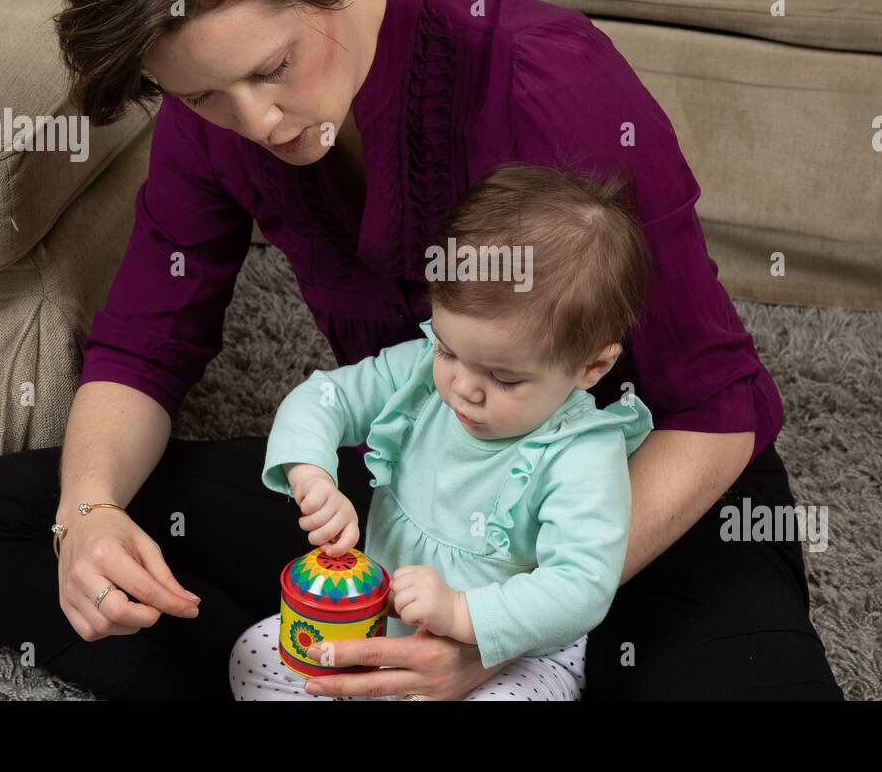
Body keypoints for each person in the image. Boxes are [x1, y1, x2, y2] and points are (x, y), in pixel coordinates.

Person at [0, 0, 843, 700]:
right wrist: (86, 517)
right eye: (203, 94)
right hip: (414, 500)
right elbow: (143, 350)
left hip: (635, 503)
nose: (259, 122)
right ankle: (338, 675)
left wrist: (496, 632)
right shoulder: (215, 128)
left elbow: (719, 410)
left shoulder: (550, 83)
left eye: (274, 66)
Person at [233, 165, 655, 700]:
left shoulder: (582, 453)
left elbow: (581, 588)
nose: (463, 388)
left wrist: (461, 612)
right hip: (379, 621)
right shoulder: (419, 377)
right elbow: (326, 397)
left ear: (589, 369)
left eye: (503, 377)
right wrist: (311, 472)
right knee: (254, 658)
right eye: (448, 350)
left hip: (512, 659)